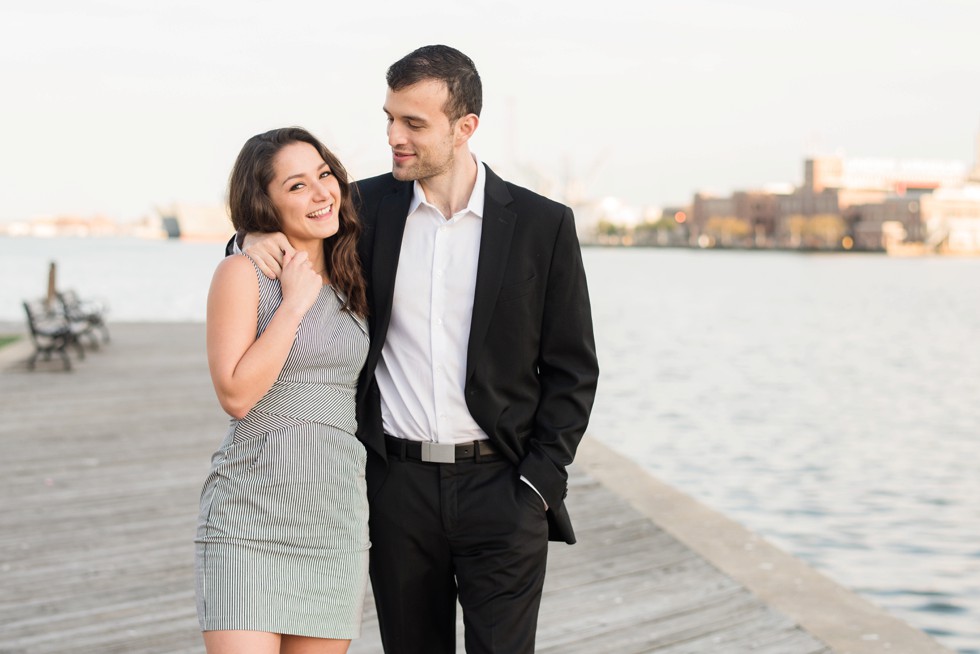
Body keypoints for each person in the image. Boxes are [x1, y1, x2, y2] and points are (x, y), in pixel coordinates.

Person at [241, 45, 599, 654]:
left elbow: (572, 369)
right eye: (389, 118)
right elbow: (291, 212)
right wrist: (249, 236)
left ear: (465, 128)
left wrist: (539, 483)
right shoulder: (366, 208)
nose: (393, 137)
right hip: (396, 489)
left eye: (413, 123)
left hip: (504, 488)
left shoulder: (544, 225)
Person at [198, 127, 370, 654]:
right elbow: (236, 394)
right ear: (264, 203)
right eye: (296, 185)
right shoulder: (242, 272)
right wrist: (294, 301)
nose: (321, 193)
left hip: (333, 520)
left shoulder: (354, 275)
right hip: (250, 520)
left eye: (324, 175)